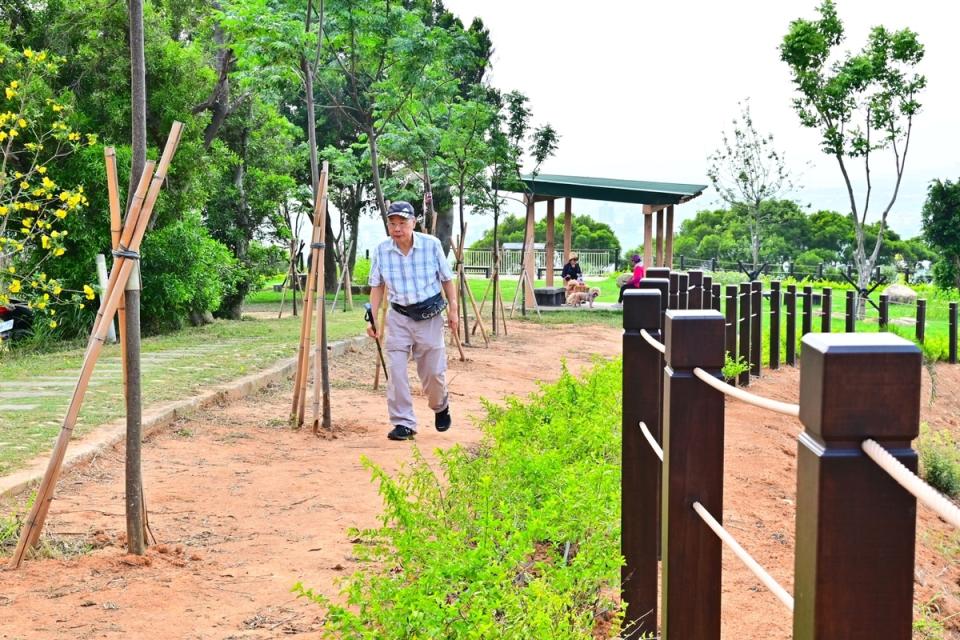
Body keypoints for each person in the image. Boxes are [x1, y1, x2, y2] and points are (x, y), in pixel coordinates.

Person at [367, 201, 459, 441]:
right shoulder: (382, 250)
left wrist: (454, 310)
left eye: (402, 223)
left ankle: (440, 405)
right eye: (392, 223)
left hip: (429, 317)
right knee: (396, 372)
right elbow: (377, 285)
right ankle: (404, 423)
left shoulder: (431, 245)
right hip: (398, 318)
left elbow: (448, 280)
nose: (397, 228)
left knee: (433, 374)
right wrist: (373, 317)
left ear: (414, 223)